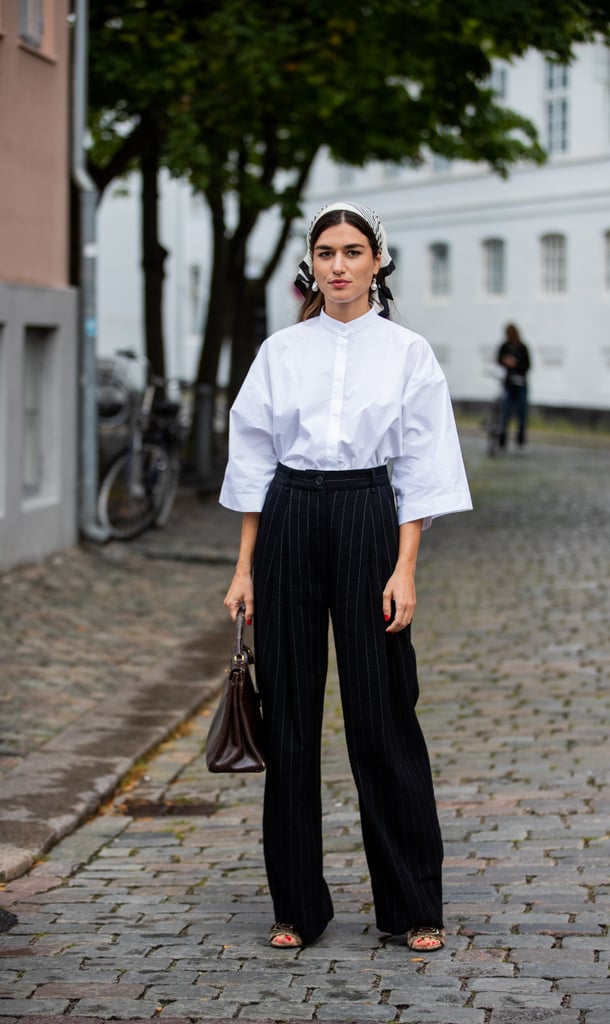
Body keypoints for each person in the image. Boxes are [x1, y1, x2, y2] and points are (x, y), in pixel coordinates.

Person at [219, 201, 472, 953]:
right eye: (325, 252)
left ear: (377, 263)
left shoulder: (408, 353)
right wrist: (243, 569)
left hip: (370, 511)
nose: (338, 265)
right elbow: (254, 462)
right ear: (311, 263)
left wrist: (405, 569)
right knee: (290, 719)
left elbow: (424, 468)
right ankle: (297, 905)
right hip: (290, 517)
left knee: (384, 716)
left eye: (352, 251)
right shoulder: (280, 353)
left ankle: (412, 905)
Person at [496, 323, 531, 451]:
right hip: (509, 384)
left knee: (521, 414)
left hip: (521, 384)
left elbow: (528, 365)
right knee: (505, 412)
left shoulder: (522, 348)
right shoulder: (505, 346)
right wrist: (505, 361)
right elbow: (498, 358)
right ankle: (502, 440)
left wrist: (515, 364)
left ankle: (520, 441)